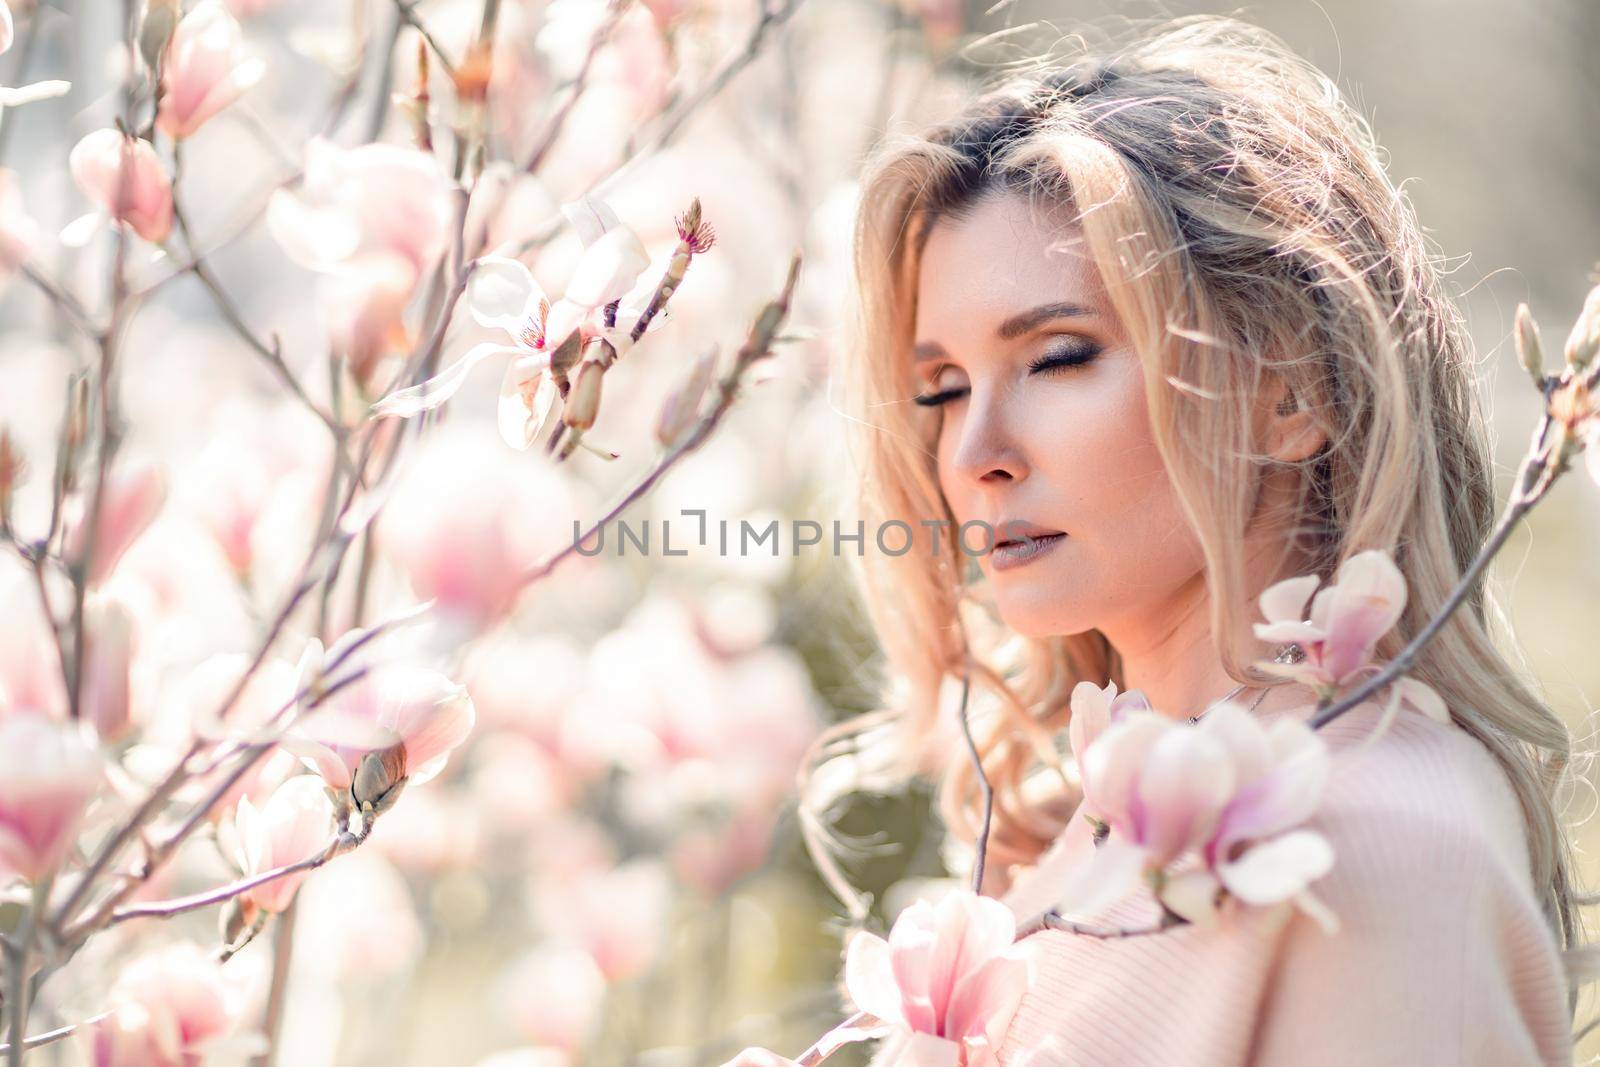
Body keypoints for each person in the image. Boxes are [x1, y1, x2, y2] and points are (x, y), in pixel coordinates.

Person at [721, 13, 1590, 1066]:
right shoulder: (1078, 836)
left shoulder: (1384, 843)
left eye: (1055, 356)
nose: (972, 452)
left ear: (1290, 388)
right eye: (941, 388)